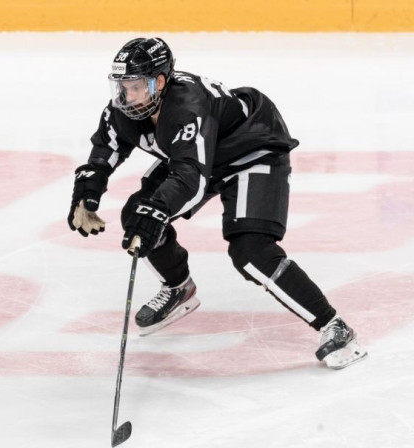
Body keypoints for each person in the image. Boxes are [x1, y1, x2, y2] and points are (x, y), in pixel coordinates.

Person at [68, 37, 368, 370]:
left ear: (161, 82)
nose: (128, 95)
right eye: (123, 86)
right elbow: (106, 148)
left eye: (137, 86)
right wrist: (87, 191)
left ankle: (333, 325)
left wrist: (157, 211)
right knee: (137, 215)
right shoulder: (125, 110)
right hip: (198, 155)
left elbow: (191, 181)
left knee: (251, 252)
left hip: (250, 148)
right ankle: (179, 288)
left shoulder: (186, 106)